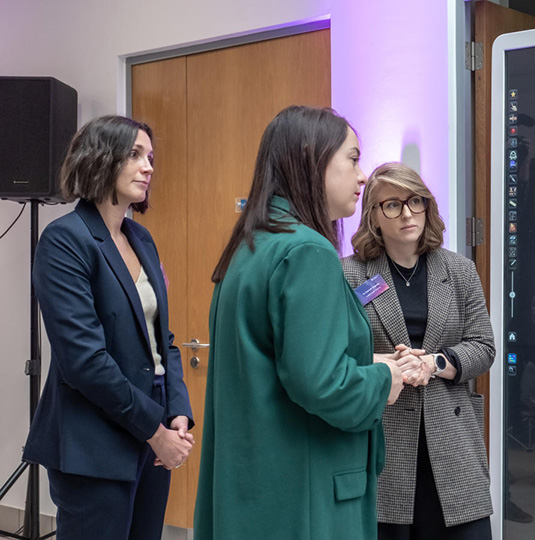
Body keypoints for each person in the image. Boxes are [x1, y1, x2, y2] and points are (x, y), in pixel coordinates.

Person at [193, 106, 403, 540]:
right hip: (304, 497)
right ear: (313, 160)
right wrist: (384, 378)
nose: (362, 176)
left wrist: (366, 360)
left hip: (256, 489)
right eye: (352, 158)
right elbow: (320, 383)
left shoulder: (252, 245)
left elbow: (286, 361)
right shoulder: (308, 252)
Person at [24, 115, 194, 540]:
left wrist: (177, 413)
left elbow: (163, 339)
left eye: (150, 156)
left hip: (152, 419)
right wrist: (154, 430)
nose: (149, 166)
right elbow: (84, 362)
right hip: (93, 437)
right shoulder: (64, 241)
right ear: (101, 159)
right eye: (135, 155)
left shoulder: (142, 239)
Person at [342, 162, 495, 540]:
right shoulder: (348, 275)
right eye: (391, 205)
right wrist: (390, 364)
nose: (407, 213)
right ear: (373, 217)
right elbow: (334, 354)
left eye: (415, 201)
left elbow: (484, 346)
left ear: (428, 207)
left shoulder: (458, 270)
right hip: (383, 441)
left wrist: (434, 363)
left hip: (452, 440)